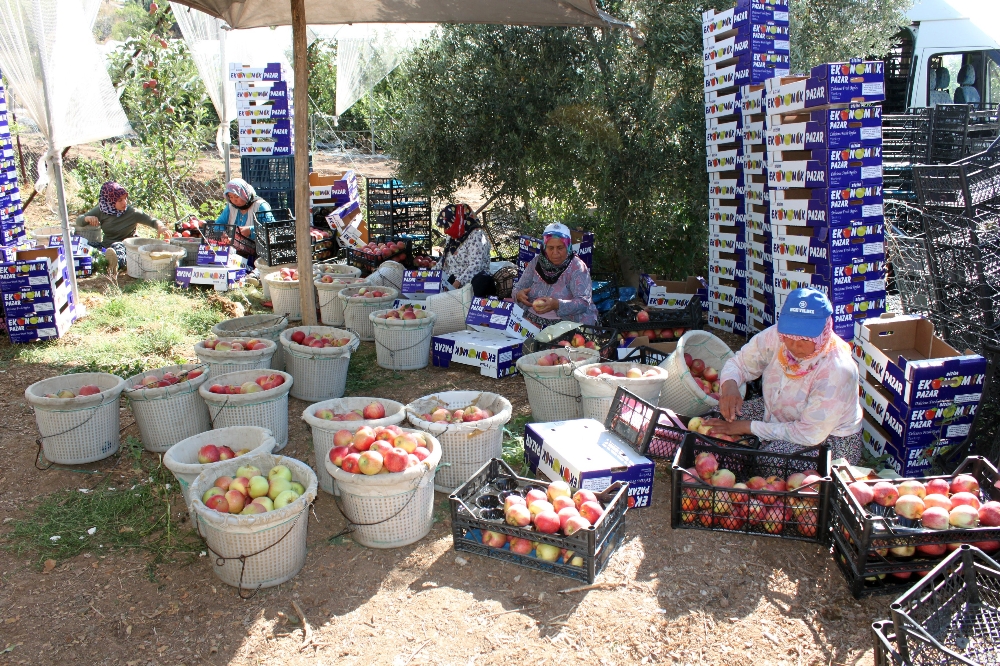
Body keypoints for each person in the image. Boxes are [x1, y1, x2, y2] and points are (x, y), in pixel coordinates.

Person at [704, 287, 864, 464]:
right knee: (713, 419)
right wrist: (730, 386)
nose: (795, 346)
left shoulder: (837, 370)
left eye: (805, 340)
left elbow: (808, 434)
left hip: (825, 438)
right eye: (789, 335)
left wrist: (745, 427)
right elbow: (740, 363)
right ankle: (738, 454)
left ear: (823, 333)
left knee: (771, 461)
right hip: (774, 410)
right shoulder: (776, 336)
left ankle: (749, 457)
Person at [514, 222, 599, 328]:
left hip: (567, 324)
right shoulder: (536, 263)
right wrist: (518, 295)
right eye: (550, 248)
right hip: (532, 320)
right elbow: (518, 288)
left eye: (560, 248)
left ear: (568, 247)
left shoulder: (577, 267)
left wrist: (557, 304)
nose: (555, 253)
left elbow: (583, 302)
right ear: (544, 247)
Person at [75, 181, 170, 275]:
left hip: (125, 246)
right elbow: (79, 221)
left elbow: (152, 221)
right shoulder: (102, 210)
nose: (124, 202)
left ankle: (114, 264)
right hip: (106, 246)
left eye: (125, 199)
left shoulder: (132, 213)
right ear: (110, 200)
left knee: (118, 247)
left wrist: (161, 227)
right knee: (84, 245)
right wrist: (87, 218)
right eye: (120, 200)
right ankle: (102, 261)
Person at [434, 203, 495, 297]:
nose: (446, 231)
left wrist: (457, 283)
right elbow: (444, 261)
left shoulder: (477, 235)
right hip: (453, 283)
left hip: (472, 286)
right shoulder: (453, 237)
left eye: (448, 226)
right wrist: (431, 274)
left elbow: (475, 265)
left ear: (458, 221)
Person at [213, 178, 273, 248]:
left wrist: (251, 230)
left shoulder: (260, 206)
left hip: (258, 251)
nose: (234, 200)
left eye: (236, 196)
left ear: (245, 194)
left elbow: (271, 229)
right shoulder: (231, 207)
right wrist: (223, 234)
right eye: (231, 197)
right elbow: (219, 223)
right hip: (236, 250)